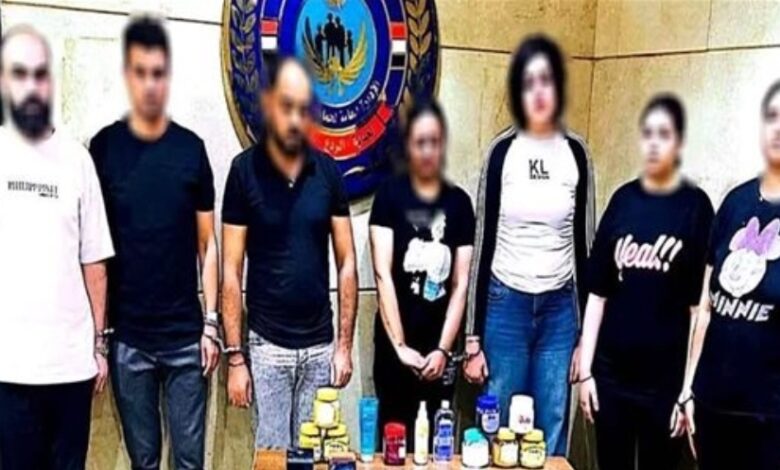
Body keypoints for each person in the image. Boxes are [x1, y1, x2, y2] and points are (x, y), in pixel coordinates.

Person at [89, 16, 219, 470]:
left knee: (189, 463)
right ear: (129, 77)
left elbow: (208, 245)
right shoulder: (104, 149)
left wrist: (211, 324)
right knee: (142, 462)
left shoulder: (191, 149)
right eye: (141, 73)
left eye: (158, 73)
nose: (149, 83)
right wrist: (98, 340)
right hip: (129, 340)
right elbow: (92, 250)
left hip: (186, 338)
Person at [462, 34, 596, 456]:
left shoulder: (577, 153)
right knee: (498, 422)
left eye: (547, 81)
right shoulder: (502, 152)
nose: (539, 92)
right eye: (529, 82)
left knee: (551, 422)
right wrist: (472, 338)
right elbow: (482, 245)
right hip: (506, 304)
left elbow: (585, 246)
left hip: (560, 310)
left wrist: (585, 339)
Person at [221, 57, 358, 449]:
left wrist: (344, 347)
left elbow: (347, 263)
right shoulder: (244, 171)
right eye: (286, 107)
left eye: (302, 108)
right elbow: (230, 269)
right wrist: (235, 358)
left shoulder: (327, 173)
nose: (295, 119)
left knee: (314, 458)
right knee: (272, 459)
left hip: (320, 347)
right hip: (268, 348)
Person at [575, 94, 714, 470]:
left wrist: (687, 389)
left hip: (664, 384)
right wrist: (586, 371)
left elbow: (698, 310)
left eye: (664, 134)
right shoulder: (623, 200)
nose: (654, 143)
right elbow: (598, 294)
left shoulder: (696, 207)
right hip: (611, 377)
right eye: (648, 134)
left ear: (678, 142)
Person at [0, 26, 114, 469]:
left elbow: (94, 262)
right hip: (9, 370)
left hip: (70, 368)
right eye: (20, 73)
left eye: (40, 74)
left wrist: (99, 347)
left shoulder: (77, 160)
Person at [677, 81, 780, 470]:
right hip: (713, 405)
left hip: (770, 417)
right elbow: (706, 308)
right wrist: (689, 388)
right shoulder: (735, 203)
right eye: (772, 117)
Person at [369, 100, 475, 447]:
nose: (428, 151)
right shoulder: (388, 196)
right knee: (393, 445)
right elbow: (382, 274)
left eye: (434, 142)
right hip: (395, 348)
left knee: (436, 445)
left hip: (438, 349)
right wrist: (400, 347)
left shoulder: (459, 204)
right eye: (420, 142)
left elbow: (460, 285)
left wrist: (443, 350)